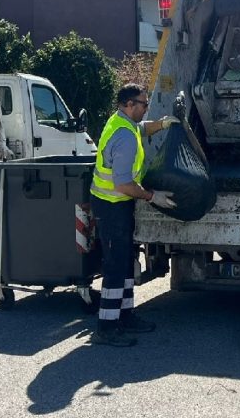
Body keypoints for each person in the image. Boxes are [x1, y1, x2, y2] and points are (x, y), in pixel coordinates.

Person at [89, 83, 179, 347]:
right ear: (129, 104)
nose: (146, 108)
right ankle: (106, 327)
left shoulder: (123, 123)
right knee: (115, 267)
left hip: (117, 204)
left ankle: (125, 316)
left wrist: (162, 124)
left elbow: (142, 128)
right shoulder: (124, 137)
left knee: (127, 261)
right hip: (112, 206)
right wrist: (152, 196)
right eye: (144, 104)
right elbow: (123, 184)